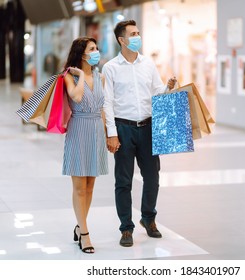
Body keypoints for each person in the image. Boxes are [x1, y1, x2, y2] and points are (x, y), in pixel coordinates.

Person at [102, 20, 176, 247]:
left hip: (148, 127)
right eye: (133, 34)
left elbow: (156, 91)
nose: (137, 37)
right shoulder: (111, 67)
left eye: (138, 33)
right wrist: (112, 134)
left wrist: (168, 88)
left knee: (152, 177)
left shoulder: (148, 64)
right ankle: (126, 228)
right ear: (121, 40)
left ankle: (148, 218)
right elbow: (108, 103)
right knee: (123, 181)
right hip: (123, 128)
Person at [62, 37, 108, 253]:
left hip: (96, 130)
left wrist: (109, 135)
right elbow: (77, 97)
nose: (96, 52)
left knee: (90, 185)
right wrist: (81, 75)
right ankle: (85, 234)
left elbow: (103, 108)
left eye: (97, 48)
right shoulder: (69, 77)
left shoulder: (101, 77)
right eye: (92, 49)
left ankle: (80, 225)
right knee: (79, 187)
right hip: (78, 130)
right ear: (82, 54)